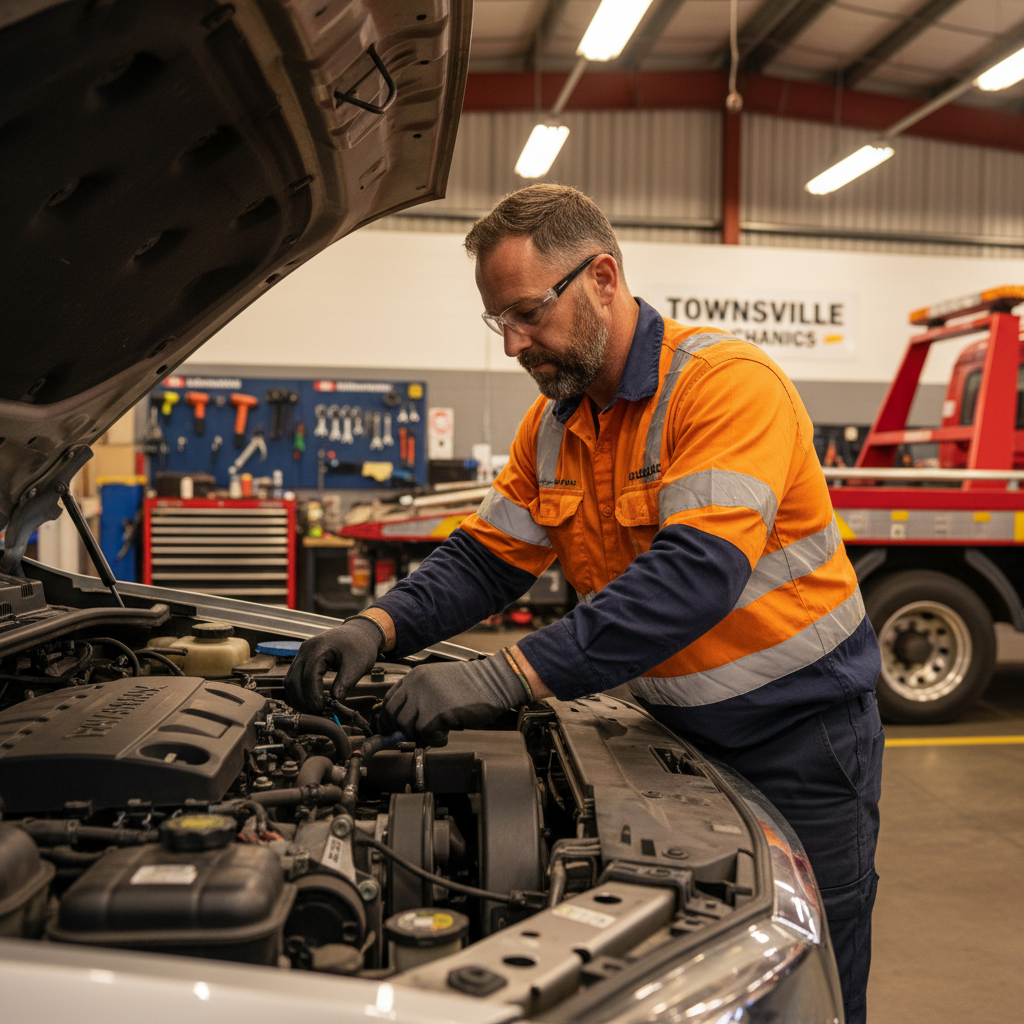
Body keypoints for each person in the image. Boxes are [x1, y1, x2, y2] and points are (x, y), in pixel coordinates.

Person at [284, 184, 883, 1024]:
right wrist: (376, 626)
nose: (515, 344)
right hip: (676, 739)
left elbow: (692, 579)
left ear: (602, 276)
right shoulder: (555, 424)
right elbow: (485, 560)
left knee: (809, 973)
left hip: (802, 738)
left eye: (529, 312)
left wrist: (507, 677)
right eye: (501, 322)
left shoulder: (724, 385)